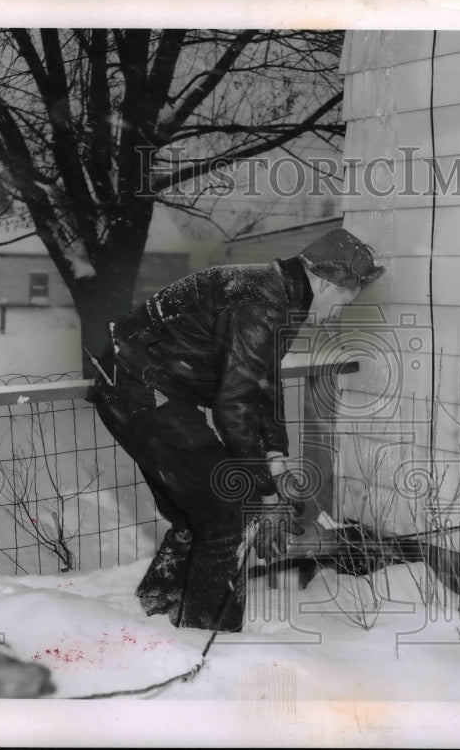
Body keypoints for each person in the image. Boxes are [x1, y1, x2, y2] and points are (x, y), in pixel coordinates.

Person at [91, 228, 384, 632]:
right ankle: (209, 638)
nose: (341, 310)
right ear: (325, 281)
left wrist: (276, 462)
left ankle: (158, 609)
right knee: (230, 509)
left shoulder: (280, 293)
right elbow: (234, 405)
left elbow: (264, 383)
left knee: (205, 511)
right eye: (346, 298)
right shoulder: (266, 302)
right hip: (139, 391)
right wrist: (263, 493)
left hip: (140, 386)